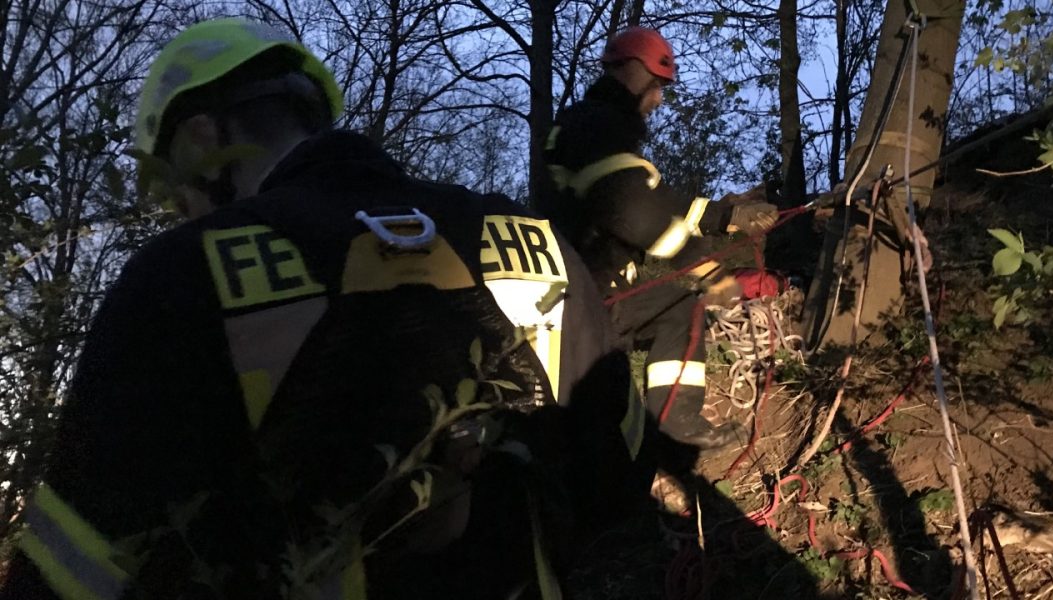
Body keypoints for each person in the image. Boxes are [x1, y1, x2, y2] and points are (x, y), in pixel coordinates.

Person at [1, 18, 649, 600]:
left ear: (202, 139)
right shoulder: (524, 240)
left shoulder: (183, 273)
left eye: (175, 183)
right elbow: (616, 474)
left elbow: (77, 555)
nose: (178, 209)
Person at [540, 26, 779, 450]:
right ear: (633, 71)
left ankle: (669, 430)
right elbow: (634, 211)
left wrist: (731, 215)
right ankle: (671, 431)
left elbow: (660, 202)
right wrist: (707, 269)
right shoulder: (597, 126)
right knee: (597, 429)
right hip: (584, 297)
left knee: (676, 311)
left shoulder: (591, 129)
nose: (659, 99)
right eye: (657, 85)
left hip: (580, 292)